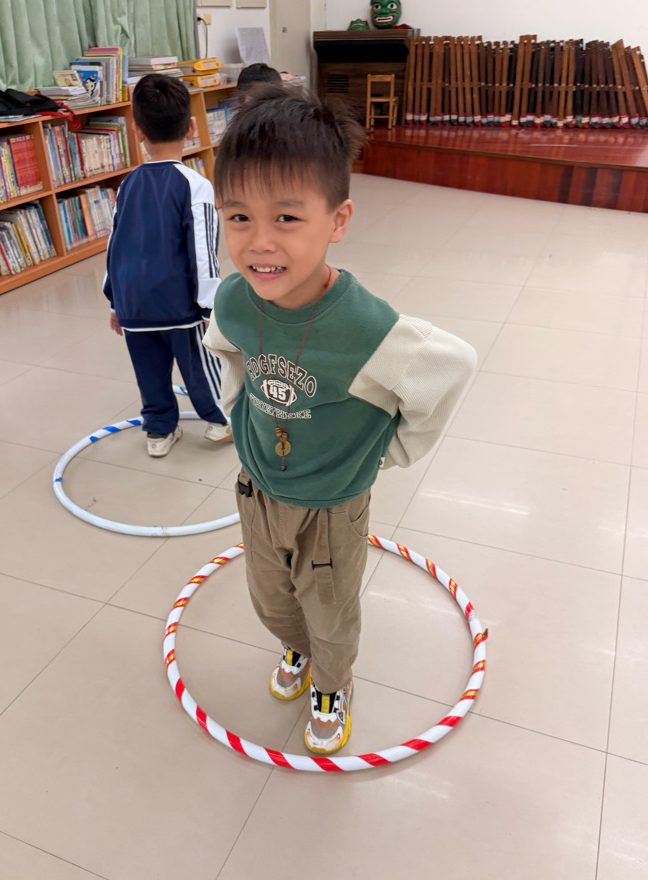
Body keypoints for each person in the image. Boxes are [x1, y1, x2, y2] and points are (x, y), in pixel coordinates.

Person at [203, 86, 476, 755]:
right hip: (258, 487)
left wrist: (389, 450)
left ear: (337, 219)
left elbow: (453, 365)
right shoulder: (236, 297)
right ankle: (295, 648)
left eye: (287, 217)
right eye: (238, 217)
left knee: (328, 607)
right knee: (271, 597)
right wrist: (239, 408)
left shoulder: (367, 328)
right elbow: (225, 344)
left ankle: (333, 682)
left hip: (330, 503)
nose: (260, 243)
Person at [103, 74, 231, 457]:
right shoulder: (195, 185)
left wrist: (115, 302)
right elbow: (203, 251)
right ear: (191, 128)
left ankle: (158, 432)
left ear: (137, 130)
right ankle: (221, 420)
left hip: (134, 305)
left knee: (149, 372)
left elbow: (115, 245)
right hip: (179, 306)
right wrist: (209, 307)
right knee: (201, 369)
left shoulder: (127, 185)